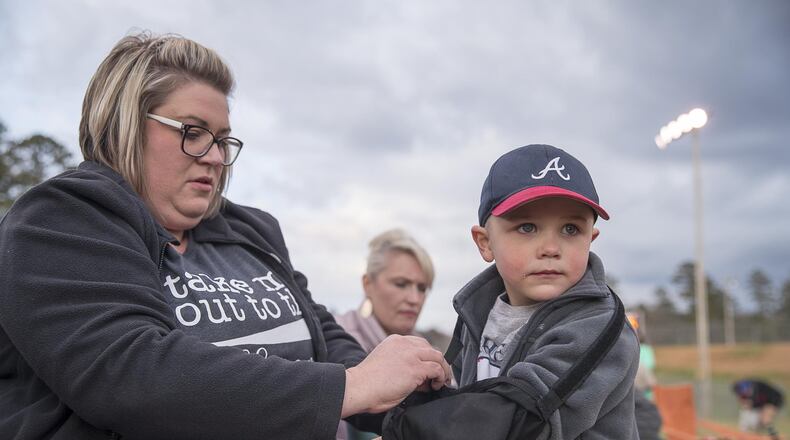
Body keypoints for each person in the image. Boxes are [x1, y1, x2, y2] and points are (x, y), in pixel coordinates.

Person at [0, 32, 450, 440]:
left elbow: (326, 339)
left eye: (222, 140)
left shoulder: (253, 231)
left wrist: (415, 396)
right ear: (125, 125)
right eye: (193, 132)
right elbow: (133, 377)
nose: (215, 157)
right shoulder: (58, 221)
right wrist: (351, 387)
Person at [384, 144, 640, 439]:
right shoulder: (476, 313)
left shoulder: (598, 326)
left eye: (571, 229)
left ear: (590, 239)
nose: (550, 248)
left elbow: (522, 419)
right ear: (485, 243)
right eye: (527, 227)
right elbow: (464, 404)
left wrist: (400, 433)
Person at [334, 229, 435, 439]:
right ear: (367, 284)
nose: (414, 299)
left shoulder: (428, 355)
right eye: (401, 284)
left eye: (422, 288)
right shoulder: (332, 341)